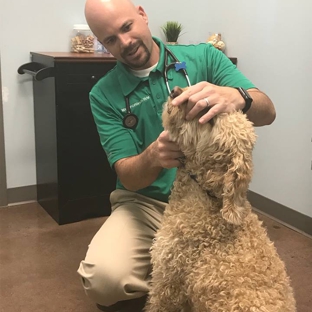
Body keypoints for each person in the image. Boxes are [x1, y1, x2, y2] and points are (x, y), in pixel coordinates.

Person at [78, 0, 276, 311]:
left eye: (127, 27)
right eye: (111, 40)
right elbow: (128, 177)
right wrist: (153, 156)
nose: (125, 43)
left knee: (241, 278)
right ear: (102, 44)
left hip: (209, 199)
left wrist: (236, 96)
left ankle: (178, 267)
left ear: (142, 15)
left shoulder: (204, 58)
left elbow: (268, 112)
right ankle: (173, 270)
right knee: (103, 282)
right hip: (145, 202)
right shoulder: (103, 93)